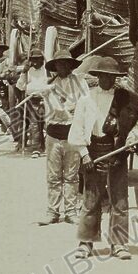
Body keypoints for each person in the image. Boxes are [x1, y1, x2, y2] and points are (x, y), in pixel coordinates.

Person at [69, 56, 132, 261]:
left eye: (111, 76)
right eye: (103, 75)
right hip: (93, 151)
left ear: (115, 78)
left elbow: (134, 127)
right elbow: (77, 129)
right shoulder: (86, 100)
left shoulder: (124, 100)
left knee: (120, 199)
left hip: (116, 151)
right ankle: (86, 243)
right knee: (91, 198)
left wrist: (132, 139)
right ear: (97, 76)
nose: (107, 80)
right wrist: (84, 154)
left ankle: (119, 244)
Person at [36, 52, 89, 225]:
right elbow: (26, 87)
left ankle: (71, 211)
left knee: (72, 175)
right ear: (55, 67)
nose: (62, 68)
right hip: (53, 134)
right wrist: (44, 90)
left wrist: (75, 109)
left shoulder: (80, 83)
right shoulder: (49, 84)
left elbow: (87, 104)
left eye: (66, 64)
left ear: (70, 65)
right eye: (59, 64)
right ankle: (52, 211)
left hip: (72, 134)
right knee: (53, 175)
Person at [15, 50, 48, 158]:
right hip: (31, 100)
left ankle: (43, 145)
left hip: (45, 99)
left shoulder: (47, 70)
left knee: (44, 124)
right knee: (34, 124)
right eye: (33, 59)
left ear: (42, 59)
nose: (35, 62)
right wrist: (24, 72)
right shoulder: (28, 71)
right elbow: (20, 86)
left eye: (38, 59)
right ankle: (36, 148)